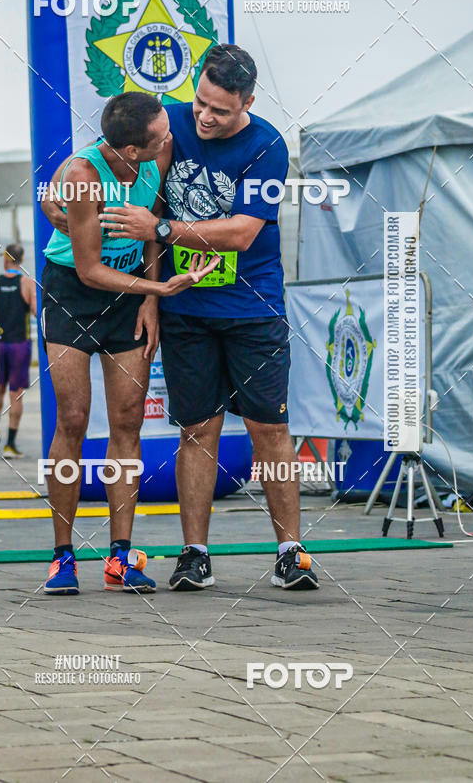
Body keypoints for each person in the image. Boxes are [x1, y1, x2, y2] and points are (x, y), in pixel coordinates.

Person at [98, 44, 319, 592]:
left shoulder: (267, 145)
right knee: (197, 430)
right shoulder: (167, 120)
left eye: (220, 110)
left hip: (253, 307)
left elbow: (242, 233)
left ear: (247, 101)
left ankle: (290, 551)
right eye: (200, 102)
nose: (204, 116)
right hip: (186, 308)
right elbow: (127, 182)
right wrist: (150, 293)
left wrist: (165, 230)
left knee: (270, 427)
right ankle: (194, 554)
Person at [40, 91, 218, 596]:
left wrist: (149, 299)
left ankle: (120, 556)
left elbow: (152, 232)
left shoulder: (156, 154)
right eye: (163, 134)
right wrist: (158, 289)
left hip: (131, 295)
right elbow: (91, 268)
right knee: (72, 418)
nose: (172, 138)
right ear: (132, 150)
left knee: (127, 419)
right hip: (75, 290)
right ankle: (62, 558)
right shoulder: (81, 177)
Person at [0, 244, 37, 458]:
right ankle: (10, 444)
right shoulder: (27, 283)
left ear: (5, 259)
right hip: (19, 345)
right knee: (16, 395)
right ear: (21, 260)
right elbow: (35, 311)